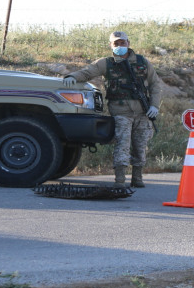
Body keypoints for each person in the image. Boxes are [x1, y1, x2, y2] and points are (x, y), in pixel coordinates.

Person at [63, 31, 164, 188]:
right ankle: (120, 180)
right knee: (122, 144)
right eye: (116, 43)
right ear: (111, 45)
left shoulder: (142, 62)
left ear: (128, 43)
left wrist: (154, 106)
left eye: (122, 43)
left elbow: (155, 84)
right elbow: (88, 72)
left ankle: (137, 177)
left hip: (142, 112)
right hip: (121, 111)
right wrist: (72, 77)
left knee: (140, 145)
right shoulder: (106, 63)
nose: (119, 46)